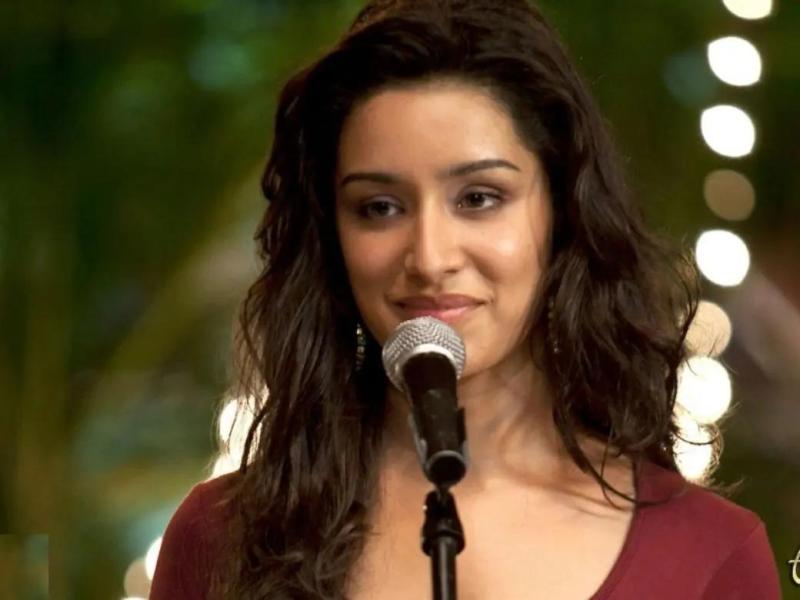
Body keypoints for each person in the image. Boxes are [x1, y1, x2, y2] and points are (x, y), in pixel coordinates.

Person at [150, 1, 783, 598]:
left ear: (563, 214)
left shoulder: (709, 554)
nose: (429, 257)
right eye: (380, 207)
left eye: (479, 198)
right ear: (332, 238)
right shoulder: (222, 539)